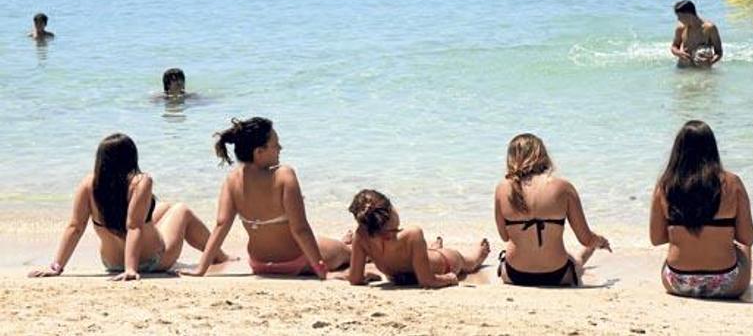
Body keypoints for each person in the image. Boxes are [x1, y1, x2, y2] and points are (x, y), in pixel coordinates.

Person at [28, 134, 230, 281]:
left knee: (165, 208)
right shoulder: (141, 182)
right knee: (181, 210)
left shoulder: (88, 184)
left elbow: (75, 227)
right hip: (153, 261)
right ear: (131, 158)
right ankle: (220, 256)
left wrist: (56, 267)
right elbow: (134, 226)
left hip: (111, 263)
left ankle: (218, 254)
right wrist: (131, 269)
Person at [180, 117, 350, 278]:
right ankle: (347, 245)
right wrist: (321, 271)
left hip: (259, 264)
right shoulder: (284, 175)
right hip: (296, 261)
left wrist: (201, 269)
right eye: (275, 145)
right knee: (346, 252)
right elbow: (301, 229)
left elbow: (221, 225)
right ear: (259, 152)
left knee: (328, 243)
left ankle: (342, 242)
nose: (280, 149)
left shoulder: (232, 180)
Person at [650, 120, 753, 299]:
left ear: (678, 151)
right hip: (726, 283)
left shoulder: (665, 186)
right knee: (744, 248)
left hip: (677, 281)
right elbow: (748, 238)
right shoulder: (733, 183)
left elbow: (657, 239)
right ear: (712, 148)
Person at [494, 134, 611, 287]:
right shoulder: (563, 187)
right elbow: (585, 239)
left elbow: (504, 236)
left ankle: (582, 255)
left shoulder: (502, 188)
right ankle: (585, 254)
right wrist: (600, 241)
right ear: (543, 156)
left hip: (514, 274)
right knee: (576, 262)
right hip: (557, 274)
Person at [346, 189, 490, 288]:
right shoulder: (412, 234)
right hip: (446, 262)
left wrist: (367, 276)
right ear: (389, 213)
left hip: (409, 271)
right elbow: (427, 281)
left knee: (425, 253)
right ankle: (477, 257)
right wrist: (448, 279)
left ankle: (432, 249)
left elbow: (354, 279)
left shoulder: (360, 236)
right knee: (466, 261)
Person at [670, 0, 723, 68]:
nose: (679, 19)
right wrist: (679, 53)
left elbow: (719, 52)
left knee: (703, 51)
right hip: (685, 64)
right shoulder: (681, 28)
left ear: (689, 15)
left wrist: (710, 62)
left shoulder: (709, 28)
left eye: (680, 16)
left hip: (703, 66)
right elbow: (674, 46)